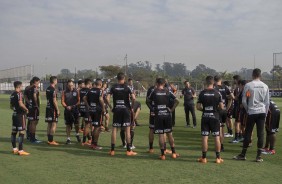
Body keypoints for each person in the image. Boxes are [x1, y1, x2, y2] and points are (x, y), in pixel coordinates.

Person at [233, 68, 270, 162]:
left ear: (253, 75)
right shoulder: (265, 86)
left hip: (251, 112)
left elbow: (244, 101)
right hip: (261, 112)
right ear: (260, 75)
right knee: (260, 134)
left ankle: (243, 154)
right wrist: (265, 114)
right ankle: (258, 156)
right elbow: (267, 102)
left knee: (248, 132)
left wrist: (248, 109)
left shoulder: (248, 85)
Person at [147, 78, 179, 160]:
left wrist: (152, 109)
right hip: (167, 114)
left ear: (157, 83)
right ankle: (174, 153)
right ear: (164, 83)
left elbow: (147, 101)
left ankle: (163, 155)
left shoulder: (154, 91)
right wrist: (171, 110)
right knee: (169, 133)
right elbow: (177, 101)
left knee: (161, 134)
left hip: (158, 115)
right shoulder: (167, 91)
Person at [106, 72, 137, 156]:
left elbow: (107, 98)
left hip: (117, 110)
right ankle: (128, 150)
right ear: (124, 78)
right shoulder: (127, 87)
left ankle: (112, 150)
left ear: (117, 78)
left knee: (115, 129)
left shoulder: (113, 87)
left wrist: (111, 107)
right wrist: (131, 107)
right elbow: (133, 98)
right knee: (127, 130)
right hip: (126, 110)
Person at [197, 76, 224, 164]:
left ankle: (204, 158)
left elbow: (198, 107)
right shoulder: (217, 93)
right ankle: (218, 158)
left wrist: (205, 110)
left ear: (206, 82)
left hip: (205, 116)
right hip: (215, 117)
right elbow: (221, 107)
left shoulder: (202, 93)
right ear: (213, 83)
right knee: (216, 137)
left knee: (205, 137)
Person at [84, 79, 105, 150]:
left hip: (91, 110)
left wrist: (88, 106)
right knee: (97, 127)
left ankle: (92, 143)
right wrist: (104, 108)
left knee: (94, 126)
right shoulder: (100, 91)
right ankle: (94, 144)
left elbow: (84, 98)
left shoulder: (90, 90)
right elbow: (101, 99)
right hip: (97, 111)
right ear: (100, 84)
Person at [10, 81, 30, 156]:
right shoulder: (19, 94)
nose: (22, 87)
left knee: (14, 132)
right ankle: (21, 150)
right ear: (19, 86)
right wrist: (26, 109)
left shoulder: (12, 94)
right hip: (20, 115)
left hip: (14, 115)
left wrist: (15, 109)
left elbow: (11, 106)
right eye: (21, 86)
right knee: (22, 132)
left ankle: (15, 149)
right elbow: (21, 103)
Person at [214, 75, 233, 152]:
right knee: (222, 128)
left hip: (217, 110)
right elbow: (232, 96)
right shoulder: (225, 87)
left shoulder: (214, 87)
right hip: (224, 110)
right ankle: (221, 146)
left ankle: (219, 146)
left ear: (214, 80)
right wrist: (227, 108)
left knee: (218, 130)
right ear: (221, 80)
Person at [61, 80, 81, 144]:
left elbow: (79, 101)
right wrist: (66, 106)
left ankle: (77, 134)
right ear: (67, 85)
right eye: (69, 85)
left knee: (76, 124)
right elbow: (62, 101)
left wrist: (74, 106)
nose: (70, 87)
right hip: (67, 110)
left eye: (72, 85)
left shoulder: (77, 91)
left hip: (75, 110)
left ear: (74, 85)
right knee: (68, 125)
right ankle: (68, 139)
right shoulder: (64, 92)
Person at [25, 76, 41, 143]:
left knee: (31, 122)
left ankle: (30, 137)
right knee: (34, 122)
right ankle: (33, 138)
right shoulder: (34, 87)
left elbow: (25, 96)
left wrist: (29, 103)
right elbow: (34, 96)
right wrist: (36, 105)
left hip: (30, 107)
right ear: (36, 81)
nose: (39, 83)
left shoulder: (27, 88)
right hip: (34, 107)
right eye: (38, 82)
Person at [45, 76, 60, 145]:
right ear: (54, 81)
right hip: (52, 109)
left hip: (48, 107)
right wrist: (57, 109)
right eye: (56, 80)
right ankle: (51, 141)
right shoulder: (53, 90)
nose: (57, 81)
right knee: (54, 124)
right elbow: (54, 101)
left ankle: (49, 140)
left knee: (49, 124)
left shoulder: (47, 89)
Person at [230, 75, 243, 143]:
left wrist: (232, 95)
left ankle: (237, 137)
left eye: (234, 80)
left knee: (237, 123)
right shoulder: (239, 87)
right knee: (239, 122)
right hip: (239, 107)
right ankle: (240, 136)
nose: (233, 81)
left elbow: (236, 98)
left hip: (238, 107)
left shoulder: (238, 88)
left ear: (236, 80)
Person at [79, 78, 92, 146]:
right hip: (87, 109)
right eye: (91, 84)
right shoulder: (89, 91)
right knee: (87, 125)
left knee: (87, 124)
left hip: (81, 108)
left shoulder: (80, 90)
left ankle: (89, 138)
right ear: (89, 84)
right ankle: (84, 141)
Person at [146, 84, 156, 153]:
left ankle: (151, 148)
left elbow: (147, 101)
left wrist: (152, 109)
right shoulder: (165, 89)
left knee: (151, 129)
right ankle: (164, 149)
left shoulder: (150, 89)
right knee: (163, 131)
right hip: (163, 112)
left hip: (153, 112)